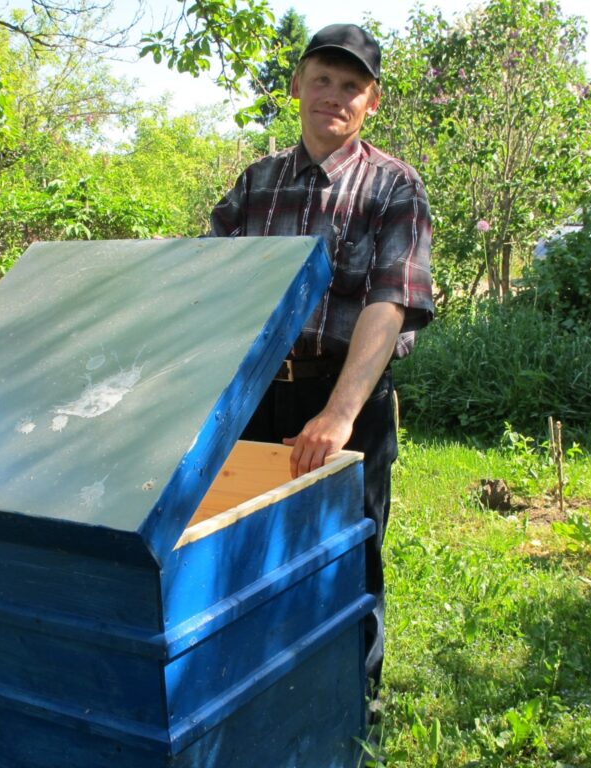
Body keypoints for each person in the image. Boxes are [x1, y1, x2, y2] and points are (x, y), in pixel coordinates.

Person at [209, 23, 434, 698]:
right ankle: (264, 704)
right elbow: (209, 288)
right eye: (321, 80)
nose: (333, 96)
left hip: (347, 403)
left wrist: (337, 414)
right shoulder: (257, 184)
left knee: (347, 557)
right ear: (297, 87)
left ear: (373, 102)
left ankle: (350, 717)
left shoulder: (394, 187)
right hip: (254, 400)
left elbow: (391, 300)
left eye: (351, 86)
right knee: (249, 552)